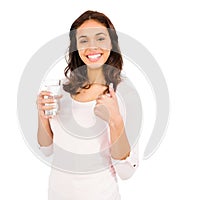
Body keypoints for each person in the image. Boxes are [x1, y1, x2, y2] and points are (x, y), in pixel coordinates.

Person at [36, 10, 139, 200]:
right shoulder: (63, 90)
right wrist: (42, 116)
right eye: (83, 40)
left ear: (112, 43)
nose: (92, 47)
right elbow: (47, 149)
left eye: (100, 38)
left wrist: (114, 120)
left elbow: (126, 172)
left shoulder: (125, 94)